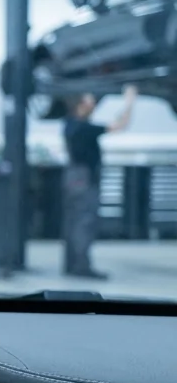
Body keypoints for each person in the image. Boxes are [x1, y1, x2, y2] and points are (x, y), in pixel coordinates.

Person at [62, 84, 137, 279]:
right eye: (90, 101)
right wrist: (129, 101)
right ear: (80, 105)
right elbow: (120, 125)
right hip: (84, 179)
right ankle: (81, 267)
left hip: (73, 178)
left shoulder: (70, 124)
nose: (94, 104)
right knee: (84, 222)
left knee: (74, 221)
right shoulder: (84, 128)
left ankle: (72, 264)